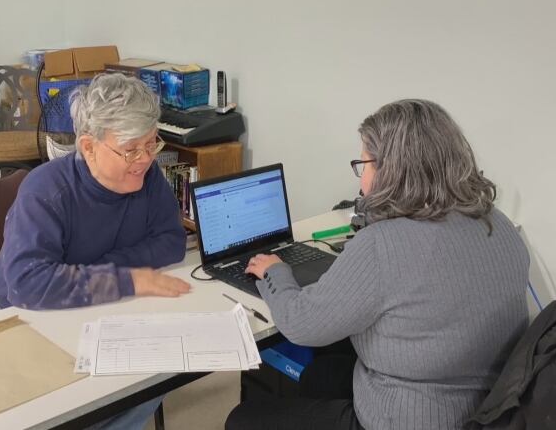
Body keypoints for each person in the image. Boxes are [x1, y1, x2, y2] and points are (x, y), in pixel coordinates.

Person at [226, 99, 530, 430]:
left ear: (392, 171)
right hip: (491, 411)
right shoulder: (498, 224)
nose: (361, 181)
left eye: (365, 165)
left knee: (242, 419)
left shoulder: (383, 245)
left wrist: (274, 271)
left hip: (408, 419)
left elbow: (301, 324)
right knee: (321, 375)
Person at [0, 73, 191, 429]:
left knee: (165, 372)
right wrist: (127, 280)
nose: (144, 159)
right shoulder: (46, 189)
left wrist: (99, 271)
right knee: (54, 408)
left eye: (151, 143)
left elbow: (171, 241)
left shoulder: (148, 177)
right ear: (89, 147)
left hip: (99, 303)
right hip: (19, 313)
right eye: (130, 149)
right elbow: (27, 284)